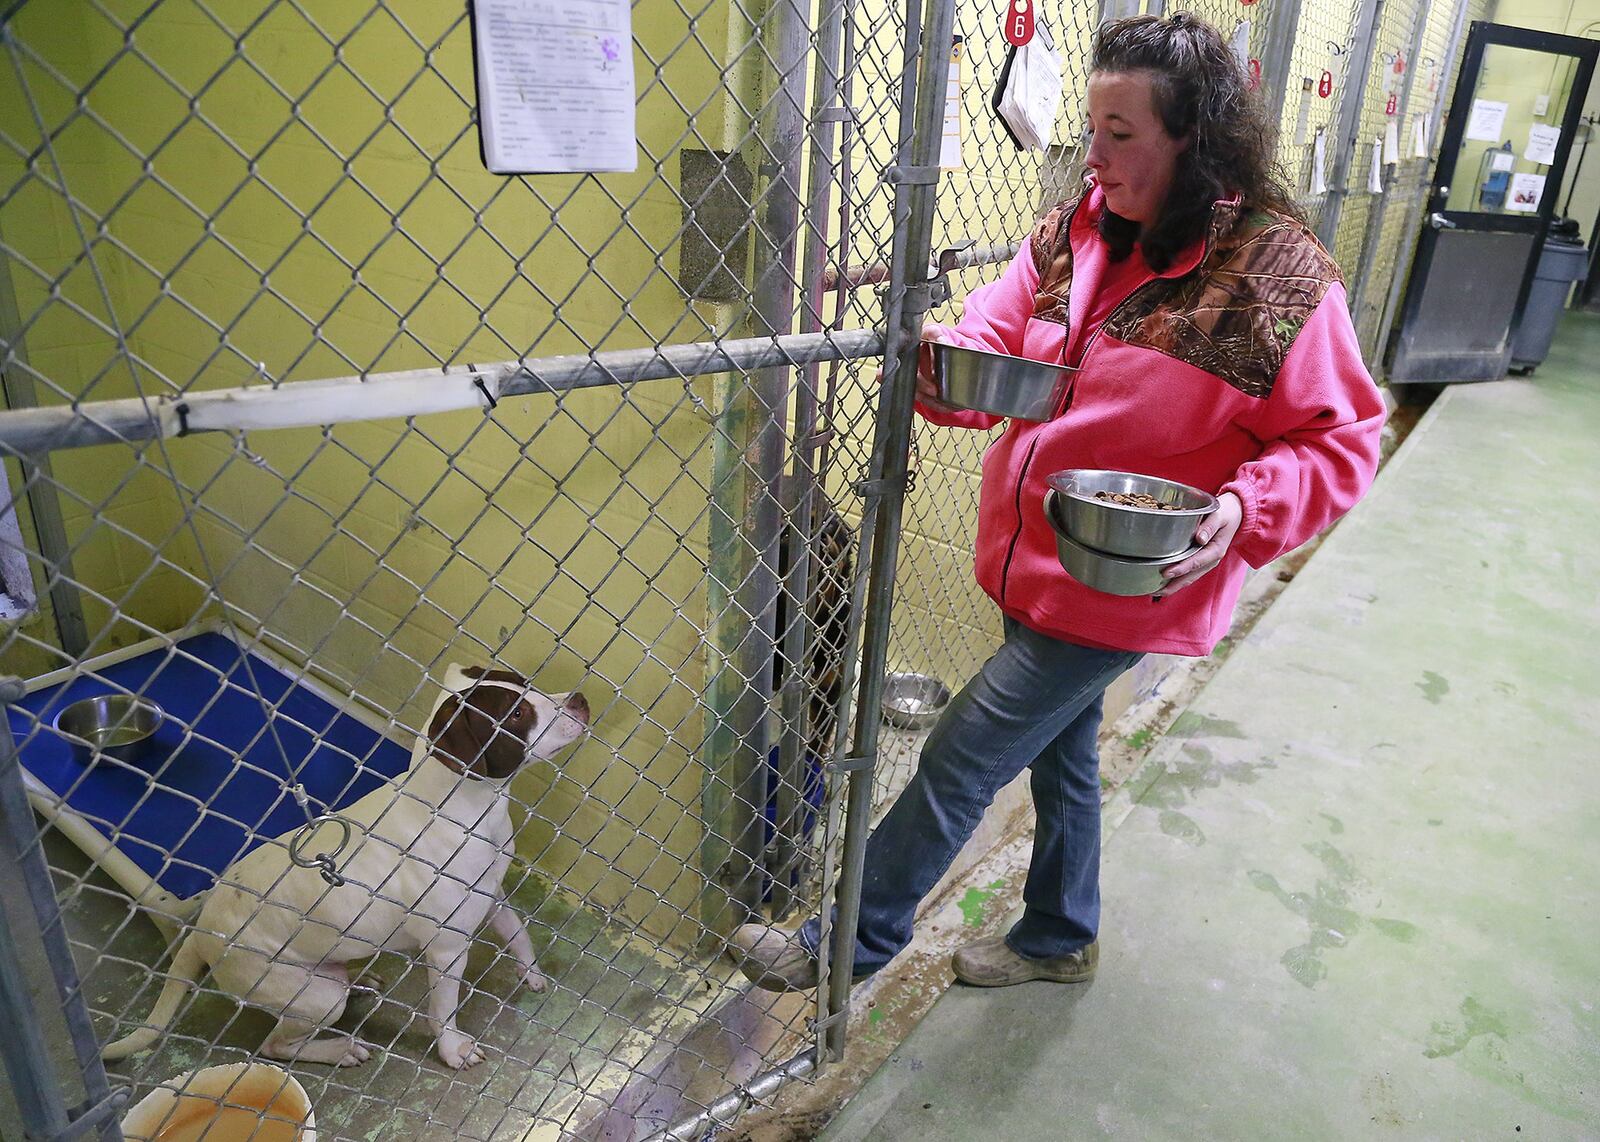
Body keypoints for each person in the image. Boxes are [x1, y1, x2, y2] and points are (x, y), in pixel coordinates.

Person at [731, 13, 1386, 991]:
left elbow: (1343, 436)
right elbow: (995, 342)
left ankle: (844, 945)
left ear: (1193, 140)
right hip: (1036, 555)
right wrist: (937, 364)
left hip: (1133, 574)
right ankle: (1058, 932)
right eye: (1091, 128)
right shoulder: (1077, 229)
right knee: (1063, 757)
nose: (1095, 156)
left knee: (961, 752)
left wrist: (1249, 509)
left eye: (1121, 135)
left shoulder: (1272, 275)